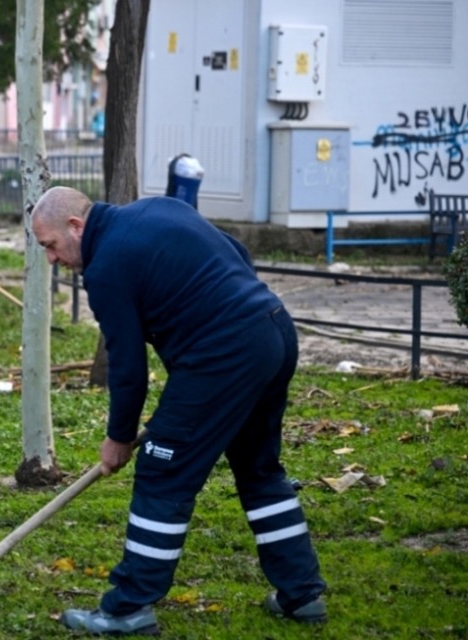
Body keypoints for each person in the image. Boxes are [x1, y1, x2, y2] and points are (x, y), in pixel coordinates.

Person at [29, 187, 327, 635]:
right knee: (258, 468)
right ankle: (302, 594)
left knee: (161, 472)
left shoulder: (106, 268)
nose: (52, 259)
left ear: (75, 227)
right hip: (273, 331)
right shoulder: (158, 206)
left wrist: (119, 438)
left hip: (222, 355)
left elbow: (127, 366)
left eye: (50, 246)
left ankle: (128, 607)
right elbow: (238, 253)